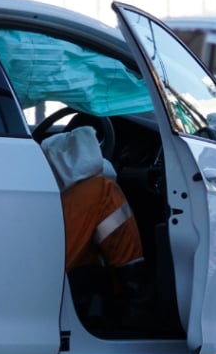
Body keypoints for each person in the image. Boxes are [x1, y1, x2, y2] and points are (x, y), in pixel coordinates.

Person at [41, 125, 154, 329]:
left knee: (92, 249)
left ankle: (122, 297)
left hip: (47, 265)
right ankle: (137, 302)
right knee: (103, 191)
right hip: (43, 271)